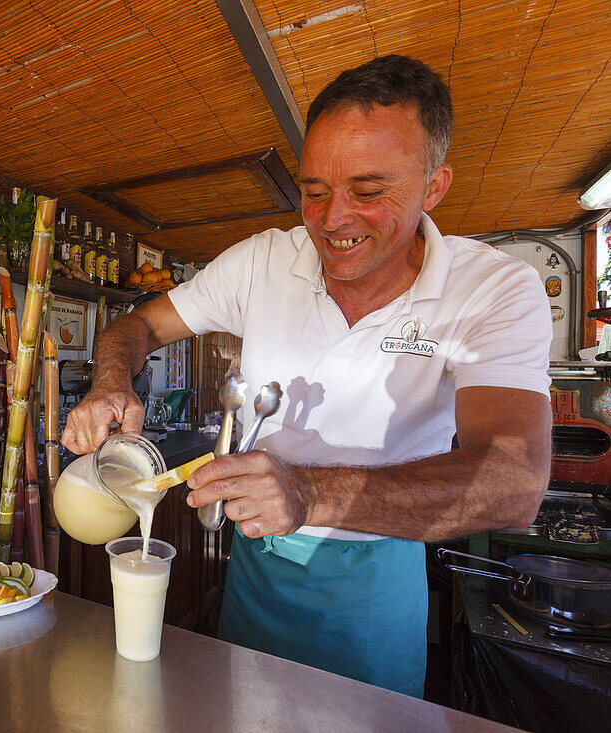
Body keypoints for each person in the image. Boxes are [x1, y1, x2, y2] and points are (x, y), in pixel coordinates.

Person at [61, 55, 551, 697]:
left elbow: (513, 483)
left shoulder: (490, 289)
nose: (332, 219)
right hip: (256, 572)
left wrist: (309, 493)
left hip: (377, 579)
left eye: (369, 192)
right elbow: (137, 328)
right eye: (314, 190)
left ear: (434, 186)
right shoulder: (263, 262)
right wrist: (110, 382)